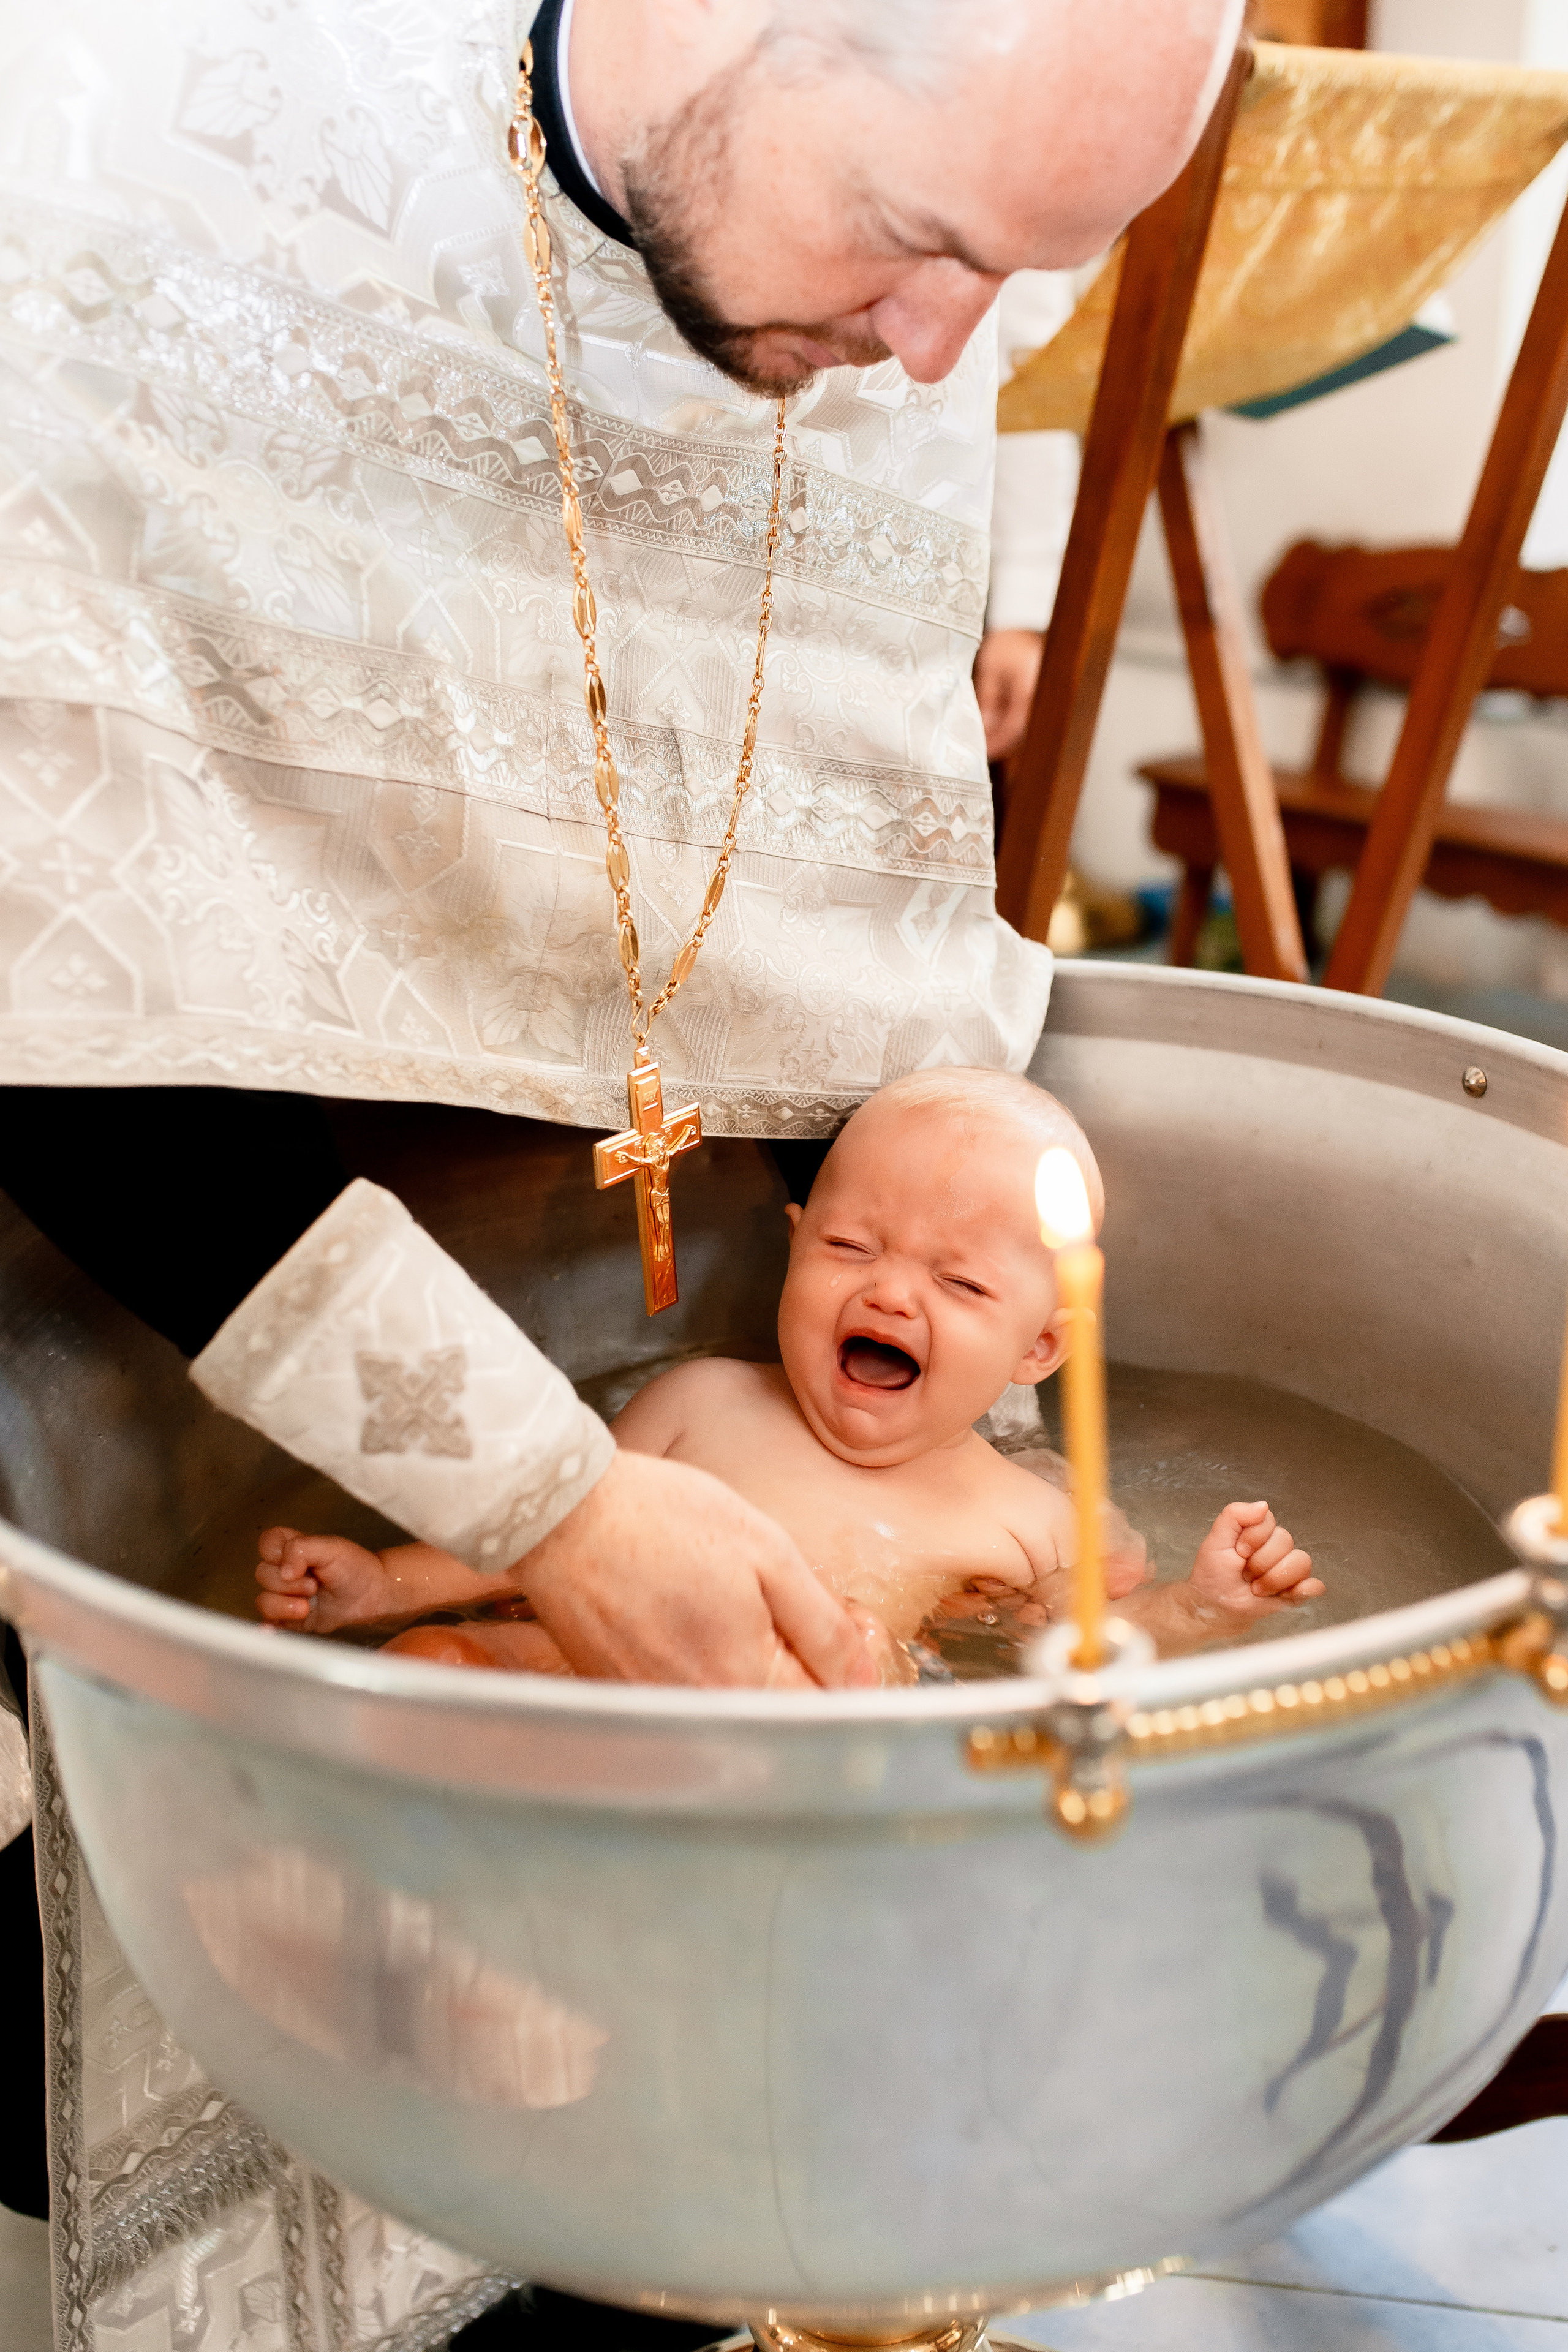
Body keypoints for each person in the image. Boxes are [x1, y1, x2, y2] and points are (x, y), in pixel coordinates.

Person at [0, 0, 1248, 2339]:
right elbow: (41, 969)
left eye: (1037, 284)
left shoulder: (909, 305)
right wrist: (545, 1516)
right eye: (917, 239)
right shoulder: (110, 151)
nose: (940, 352)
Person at [252, 1071, 1321, 1672]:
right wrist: (380, 1586)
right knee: (435, 1662)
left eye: (959, 1284)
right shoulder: (698, 1402)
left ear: (1040, 1351)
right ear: (796, 1242)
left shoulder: (1034, 1516)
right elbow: (535, 1533)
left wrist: (1202, 1609)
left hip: (796, 1738)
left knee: (856, 1673)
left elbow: (1082, 1663)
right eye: (851, 1250)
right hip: (582, 1682)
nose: (892, 1295)